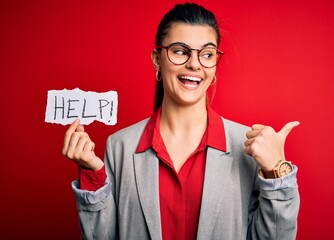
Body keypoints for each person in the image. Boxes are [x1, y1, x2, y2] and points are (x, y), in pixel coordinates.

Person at [62, 2, 300, 240]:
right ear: (157, 59)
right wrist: (93, 175)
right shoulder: (120, 146)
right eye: (180, 51)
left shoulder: (248, 146)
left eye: (207, 54)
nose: (195, 64)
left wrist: (277, 173)